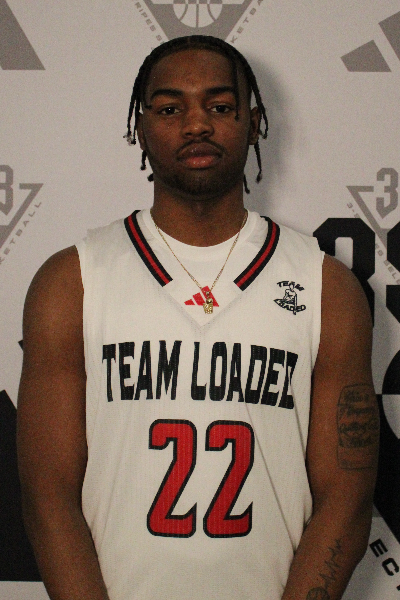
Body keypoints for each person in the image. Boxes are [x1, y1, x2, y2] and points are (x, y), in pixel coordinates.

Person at [17, 35, 379, 600]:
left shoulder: (324, 286)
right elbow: (48, 496)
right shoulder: (72, 281)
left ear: (253, 122)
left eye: (220, 105)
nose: (196, 125)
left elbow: (347, 497)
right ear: (140, 128)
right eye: (169, 109)